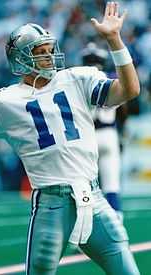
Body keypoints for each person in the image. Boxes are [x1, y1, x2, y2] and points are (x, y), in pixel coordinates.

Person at [0, 2, 140, 275]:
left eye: (50, 49)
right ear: (21, 58)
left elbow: (129, 90)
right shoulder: (3, 101)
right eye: (40, 52)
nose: (49, 56)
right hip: (51, 204)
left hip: (93, 199)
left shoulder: (77, 78)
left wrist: (114, 40)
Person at [81, 42, 123, 218]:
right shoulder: (111, 77)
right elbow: (124, 108)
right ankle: (117, 224)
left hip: (88, 135)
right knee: (112, 185)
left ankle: (84, 232)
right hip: (109, 134)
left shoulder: (79, 80)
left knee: (85, 187)